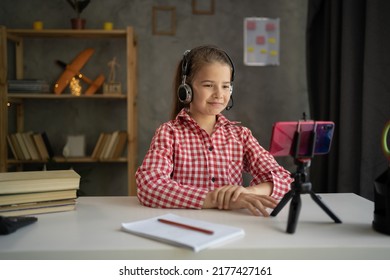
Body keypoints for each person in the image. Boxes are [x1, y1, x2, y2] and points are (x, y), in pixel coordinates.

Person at [136, 45, 293, 216]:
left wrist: (244, 193)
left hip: (233, 226)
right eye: (209, 85)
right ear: (186, 90)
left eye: (225, 86)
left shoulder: (240, 136)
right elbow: (149, 186)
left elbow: (284, 180)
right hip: (185, 225)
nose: (219, 94)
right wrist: (213, 199)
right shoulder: (169, 133)